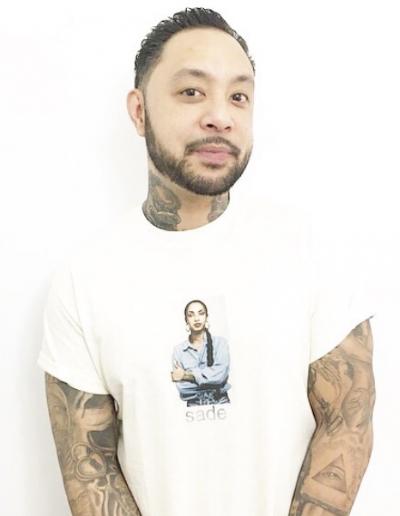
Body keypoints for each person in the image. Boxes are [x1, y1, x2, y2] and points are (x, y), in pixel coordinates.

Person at [37, 7, 375, 516]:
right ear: (139, 111)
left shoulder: (307, 246)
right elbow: (90, 464)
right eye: (192, 91)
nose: (221, 114)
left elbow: (346, 421)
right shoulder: (84, 278)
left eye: (238, 95)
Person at [171, 299, 231, 406]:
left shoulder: (220, 343)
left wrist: (187, 375)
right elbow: (183, 389)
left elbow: (220, 377)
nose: (196, 318)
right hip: (194, 411)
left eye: (201, 313)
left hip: (221, 405)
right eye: (191, 315)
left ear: (206, 317)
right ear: (186, 320)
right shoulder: (179, 350)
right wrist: (212, 381)